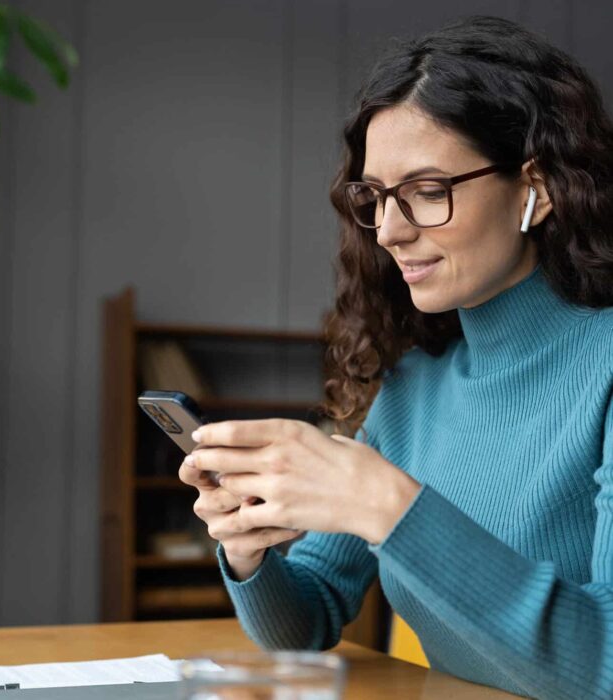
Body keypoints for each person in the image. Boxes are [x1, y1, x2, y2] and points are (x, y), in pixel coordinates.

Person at [178, 15, 613, 700]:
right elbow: (310, 617)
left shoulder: (605, 370)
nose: (390, 230)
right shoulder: (411, 388)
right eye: (375, 197)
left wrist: (388, 504)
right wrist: (248, 549)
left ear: (538, 188)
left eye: (428, 190)